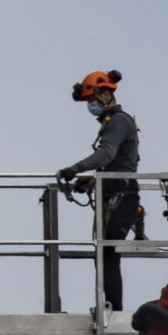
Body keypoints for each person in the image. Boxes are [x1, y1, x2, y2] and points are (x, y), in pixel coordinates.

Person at [57, 70, 141, 311]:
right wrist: (88, 181)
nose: (90, 106)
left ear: (105, 95)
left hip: (122, 196)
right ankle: (110, 306)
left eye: (91, 101)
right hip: (113, 194)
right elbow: (111, 160)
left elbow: (107, 153)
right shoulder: (112, 122)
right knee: (104, 256)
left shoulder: (118, 120)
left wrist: (76, 168)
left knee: (109, 255)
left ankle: (114, 309)